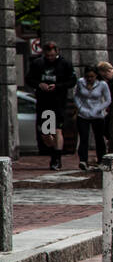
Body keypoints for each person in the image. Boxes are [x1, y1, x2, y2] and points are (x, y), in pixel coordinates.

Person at [25, 41, 77, 170]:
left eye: (52, 56)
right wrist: (39, 84)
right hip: (43, 102)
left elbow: (72, 81)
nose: (50, 58)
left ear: (57, 52)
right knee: (45, 133)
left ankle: (56, 158)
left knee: (58, 130)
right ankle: (54, 149)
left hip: (58, 102)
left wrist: (58, 86)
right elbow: (29, 79)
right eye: (48, 56)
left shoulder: (65, 64)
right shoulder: (38, 64)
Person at [74, 66, 111, 170]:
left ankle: (101, 160)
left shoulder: (102, 84)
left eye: (92, 76)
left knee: (99, 138)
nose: (89, 79)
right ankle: (83, 160)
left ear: (96, 76)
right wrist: (81, 109)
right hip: (83, 114)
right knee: (83, 137)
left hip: (97, 115)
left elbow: (108, 100)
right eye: (87, 77)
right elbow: (76, 96)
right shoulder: (81, 82)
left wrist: (98, 109)